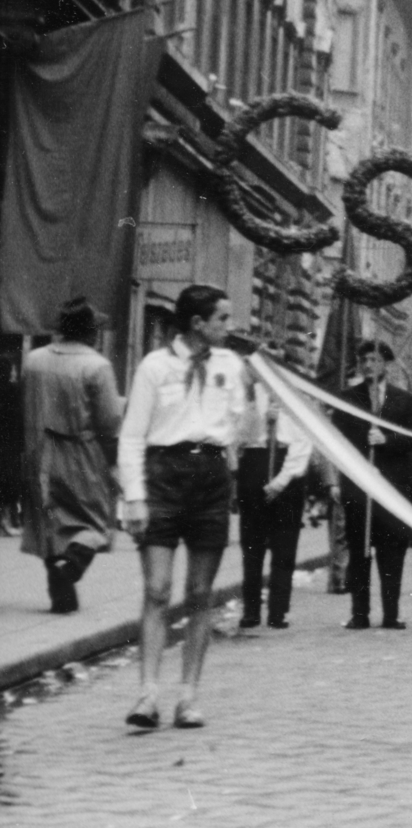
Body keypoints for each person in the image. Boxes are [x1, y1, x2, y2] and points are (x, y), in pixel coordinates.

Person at [118, 284, 250, 729]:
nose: (229, 328)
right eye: (223, 320)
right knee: (157, 589)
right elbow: (133, 434)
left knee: (200, 593)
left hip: (211, 477)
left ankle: (188, 697)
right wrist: (134, 496)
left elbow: (237, 424)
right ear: (198, 324)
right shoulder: (156, 366)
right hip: (163, 476)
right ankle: (147, 695)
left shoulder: (231, 365)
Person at [20, 298, 122, 614]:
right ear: (90, 332)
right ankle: (71, 567)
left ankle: (59, 582)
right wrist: (114, 462)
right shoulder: (96, 366)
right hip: (82, 453)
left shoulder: (33, 360)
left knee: (49, 519)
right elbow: (108, 421)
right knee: (95, 521)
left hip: (39, 451)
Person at [332, 340, 412, 630]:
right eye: (364, 360)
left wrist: (387, 440)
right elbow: (336, 440)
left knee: (391, 552)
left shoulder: (404, 400)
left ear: (386, 364)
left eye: (374, 360)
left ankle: (391, 613)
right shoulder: (347, 398)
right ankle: (360, 613)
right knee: (359, 552)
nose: (369, 365)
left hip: (392, 489)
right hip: (359, 487)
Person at [236, 370, 312, 629]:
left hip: (286, 466)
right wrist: (257, 416)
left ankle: (278, 610)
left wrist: (281, 480)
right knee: (252, 546)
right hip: (256, 463)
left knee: (284, 546)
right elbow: (239, 437)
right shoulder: (248, 396)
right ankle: (251, 609)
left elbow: (303, 443)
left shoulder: (294, 398)